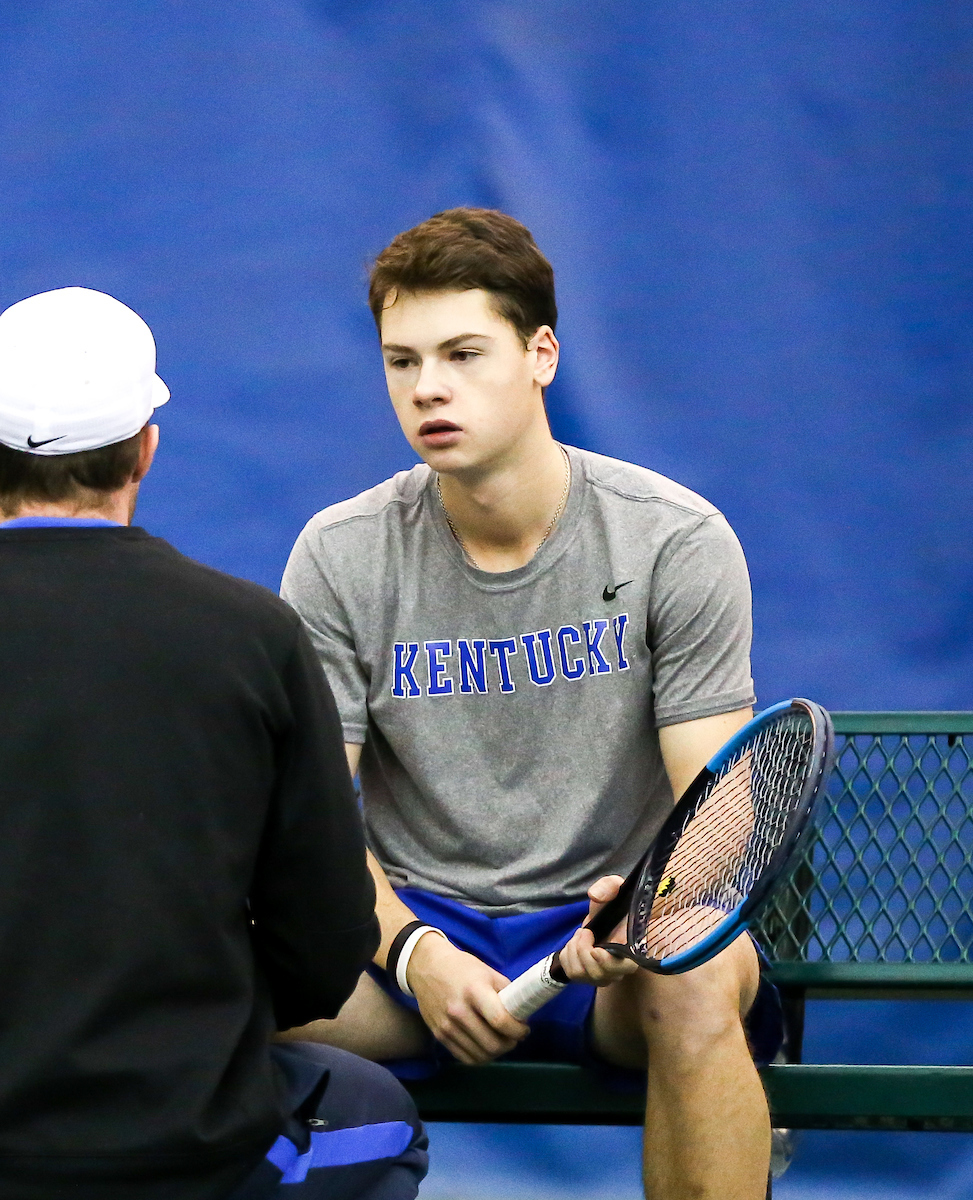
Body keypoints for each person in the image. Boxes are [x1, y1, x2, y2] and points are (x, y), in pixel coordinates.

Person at [280, 209, 783, 1200]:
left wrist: (639, 914)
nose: (428, 387)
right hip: (408, 945)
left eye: (464, 353)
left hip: (613, 948)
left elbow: (719, 821)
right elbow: (314, 826)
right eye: (401, 361)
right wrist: (414, 950)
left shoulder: (672, 541)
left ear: (540, 353)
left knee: (691, 967)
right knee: (197, 976)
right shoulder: (339, 556)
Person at [0, 287, 427, 1200]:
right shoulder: (252, 636)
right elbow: (325, 941)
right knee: (377, 1119)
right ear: (145, 447)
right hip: (190, 1153)